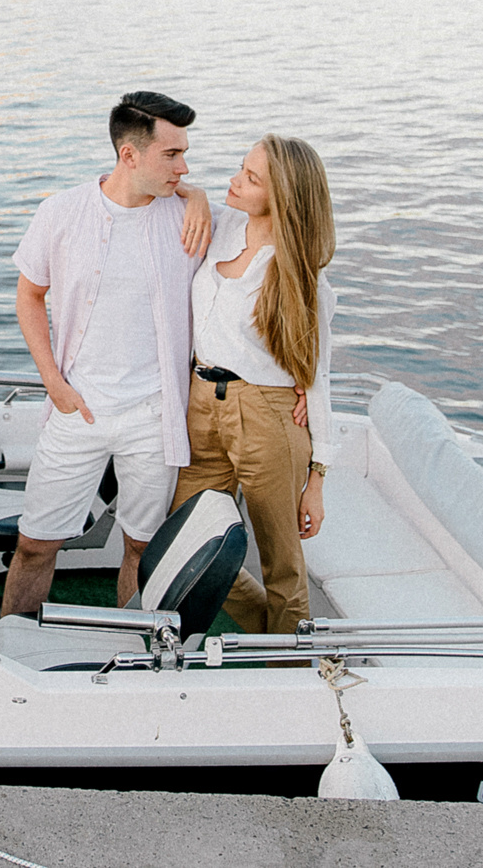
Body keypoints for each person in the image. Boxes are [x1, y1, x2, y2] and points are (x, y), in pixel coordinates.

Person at [2, 91, 211, 618]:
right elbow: (29, 295)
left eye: (185, 155)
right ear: (129, 155)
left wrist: (199, 196)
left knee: (142, 548)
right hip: (77, 408)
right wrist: (52, 381)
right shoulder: (61, 213)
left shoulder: (189, 218)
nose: (184, 168)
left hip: (155, 416)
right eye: (172, 155)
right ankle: (11, 646)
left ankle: (132, 648)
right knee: (35, 544)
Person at [168, 134, 338, 636]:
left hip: (266, 413)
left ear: (281, 195)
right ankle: (273, 631)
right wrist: (198, 195)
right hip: (201, 403)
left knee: (282, 564)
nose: (235, 181)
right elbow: (173, 189)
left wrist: (317, 480)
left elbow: (318, 376)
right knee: (185, 539)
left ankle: (286, 665)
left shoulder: (303, 278)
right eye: (241, 169)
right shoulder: (223, 225)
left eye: (250, 178)